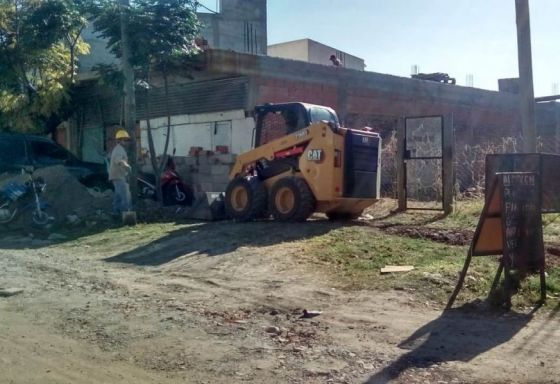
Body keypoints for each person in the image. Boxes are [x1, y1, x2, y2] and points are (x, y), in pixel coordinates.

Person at [109, 129, 132, 216]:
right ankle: (128, 218)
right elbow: (119, 160)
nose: (126, 142)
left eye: (127, 140)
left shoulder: (119, 149)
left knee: (118, 197)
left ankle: (115, 214)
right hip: (118, 176)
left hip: (117, 176)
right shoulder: (119, 149)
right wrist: (127, 166)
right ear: (119, 140)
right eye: (124, 140)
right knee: (126, 197)